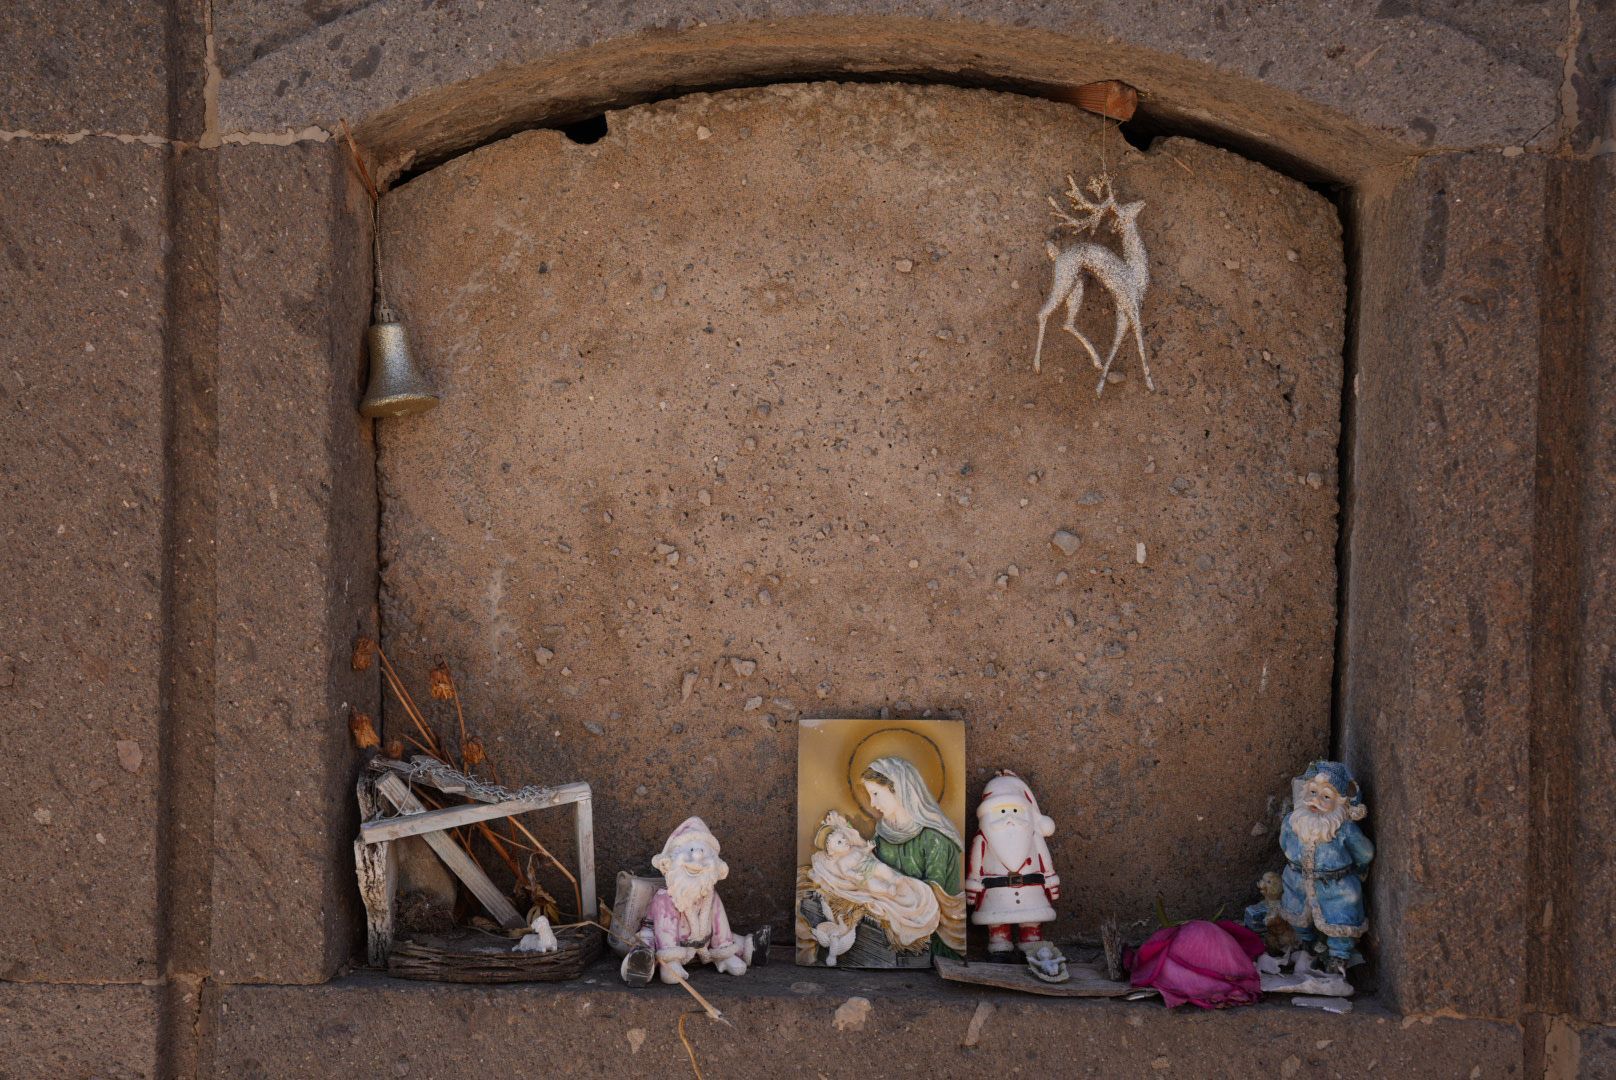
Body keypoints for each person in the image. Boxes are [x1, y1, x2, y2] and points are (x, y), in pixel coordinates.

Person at [860, 756, 966, 958]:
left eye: (876, 794)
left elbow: (931, 898)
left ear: (899, 790)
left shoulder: (935, 838)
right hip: (889, 928)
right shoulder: (882, 834)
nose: (872, 803)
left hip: (933, 940)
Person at [1278, 760, 1374, 974]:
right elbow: (1284, 843)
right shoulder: (1292, 823)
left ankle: (1338, 959)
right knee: (1298, 916)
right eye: (1312, 792)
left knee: (1339, 921)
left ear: (1339, 803)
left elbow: (1365, 852)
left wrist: (1355, 871)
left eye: (1326, 797)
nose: (1316, 800)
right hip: (1297, 880)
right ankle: (1306, 946)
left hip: (1336, 886)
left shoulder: (1343, 829)